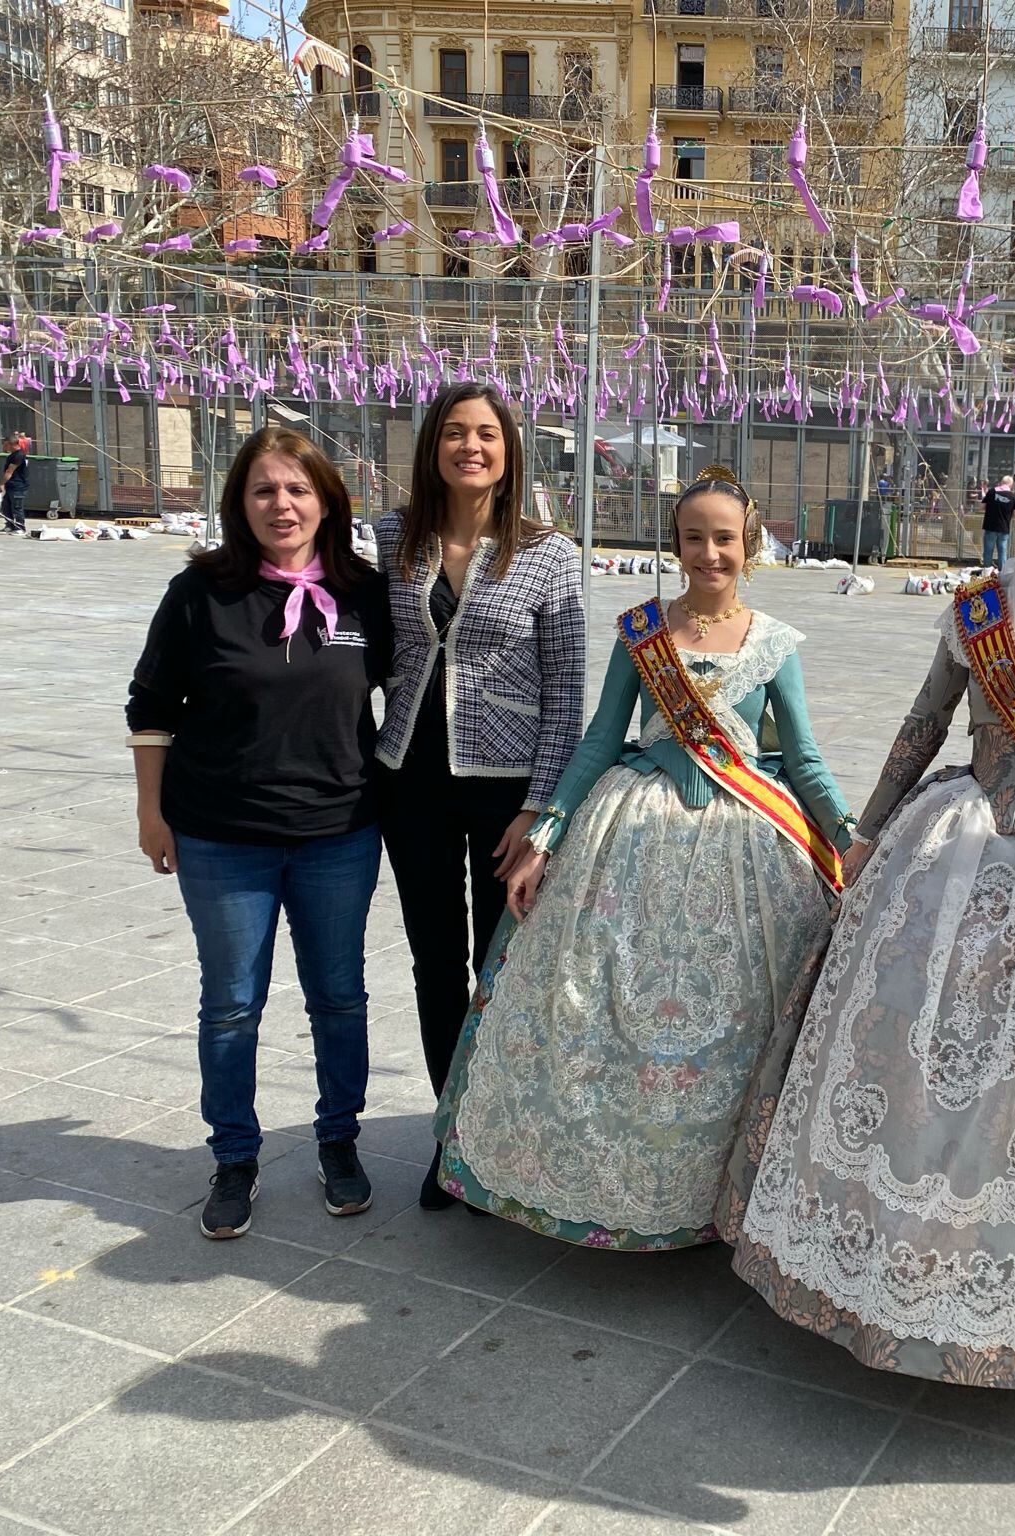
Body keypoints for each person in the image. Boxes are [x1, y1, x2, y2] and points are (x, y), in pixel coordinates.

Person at [723, 412, 1015, 1391]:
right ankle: (877, 1266)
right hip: (951, 843)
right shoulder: (977, 606)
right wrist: (864, 834)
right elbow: (921, 724)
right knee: (911, 1045)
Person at [433, 465, 853, 1248]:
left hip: (744, 843)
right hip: (631, 835)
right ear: (676, 545)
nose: (709, 554)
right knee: (597, 998)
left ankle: (726, 1192)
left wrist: (846, 839)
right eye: (693, 538)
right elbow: (599, 739)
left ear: (748, 544)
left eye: (723, 539)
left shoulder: (776, 645)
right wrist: (547, 835)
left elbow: (802, 759)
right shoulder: (641, 633)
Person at [126, 427, 391, 1240]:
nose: (283, 504)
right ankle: (234, 1155)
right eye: (264, 490)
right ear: (240, 504)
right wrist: (151, 812)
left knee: (339, 998)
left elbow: (409, 694)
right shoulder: (200, 592)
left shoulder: (364, 593)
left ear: (327, 501)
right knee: (232, 1005)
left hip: (338, 832)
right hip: (220, 836)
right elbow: (149, 706)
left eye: (298, 489)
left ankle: (338, 1141)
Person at [374, 382, 586, 1213]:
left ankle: (500, 1132)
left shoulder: (546, 552)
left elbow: (566, 692)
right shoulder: (395, 538)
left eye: (487, 435)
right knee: (434, 963)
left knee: (498, 964)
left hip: (508, 798)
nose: (472, 446)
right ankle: (449, 1136)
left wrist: (542, 809)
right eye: (456, 433)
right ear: (433, 446)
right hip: (411, 783)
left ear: (509, 452)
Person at [980, 473, 1015, 570]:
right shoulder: (1012, 496)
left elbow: (982, 507)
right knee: (1002, 551)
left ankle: (987, 571)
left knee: (988, 550)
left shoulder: (992, 492)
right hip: (1004, 528)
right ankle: (1002, 573)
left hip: (990, 526)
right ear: (1011, 485)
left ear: (1001, 482)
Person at [0, 433, 30, 534]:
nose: (4, 446)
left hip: (17, 486)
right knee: (6, 506)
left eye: (5, 444)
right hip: (10, 485)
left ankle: (20, 527)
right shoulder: (11, 455)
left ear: (11, 444)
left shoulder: (19, 456)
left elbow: (9, 471)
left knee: (16, 507)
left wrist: (2, 484)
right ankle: (9, 525)